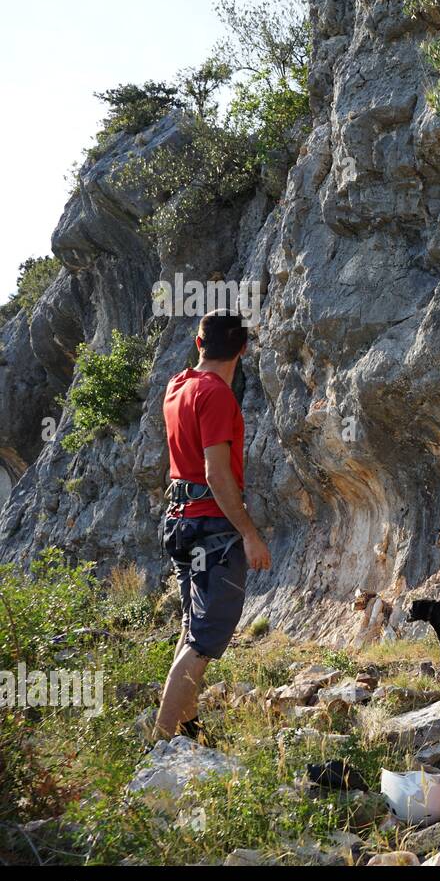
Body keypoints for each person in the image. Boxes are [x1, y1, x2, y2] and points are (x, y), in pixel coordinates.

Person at [153, 311, 272, 742]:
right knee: (204, 640)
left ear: (199, 343)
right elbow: (217, 473)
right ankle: (161, 744)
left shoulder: (176, 386)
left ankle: (188, 730)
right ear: (242, 350)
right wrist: (249, 533)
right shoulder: (217, 395)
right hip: (212, 528)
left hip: (179, 523)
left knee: (191, 631)